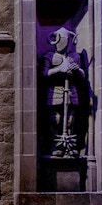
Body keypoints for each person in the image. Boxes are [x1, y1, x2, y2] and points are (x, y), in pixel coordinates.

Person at [39, 27, 88, 158]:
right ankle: (55, 146)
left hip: (71, 92)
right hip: (55, 91)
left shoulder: (75, 57)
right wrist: (59, 69)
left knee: (70, 121)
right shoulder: (49, 56)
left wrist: (77, 70)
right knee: (55, 120)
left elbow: (83, 77)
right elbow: (43, 74)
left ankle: (69, 147)